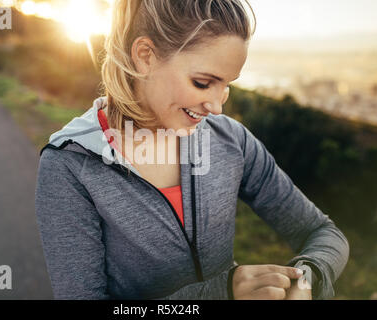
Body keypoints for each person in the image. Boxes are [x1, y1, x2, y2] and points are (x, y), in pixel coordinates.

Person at [35, 0, 349, 300]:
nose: (215, 107)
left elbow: (322, 232)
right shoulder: (69, 165)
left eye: (227, 85)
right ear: (145, 56)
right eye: (202, 83)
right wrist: (221, 293)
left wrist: (306, 279)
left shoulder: (231, 139)